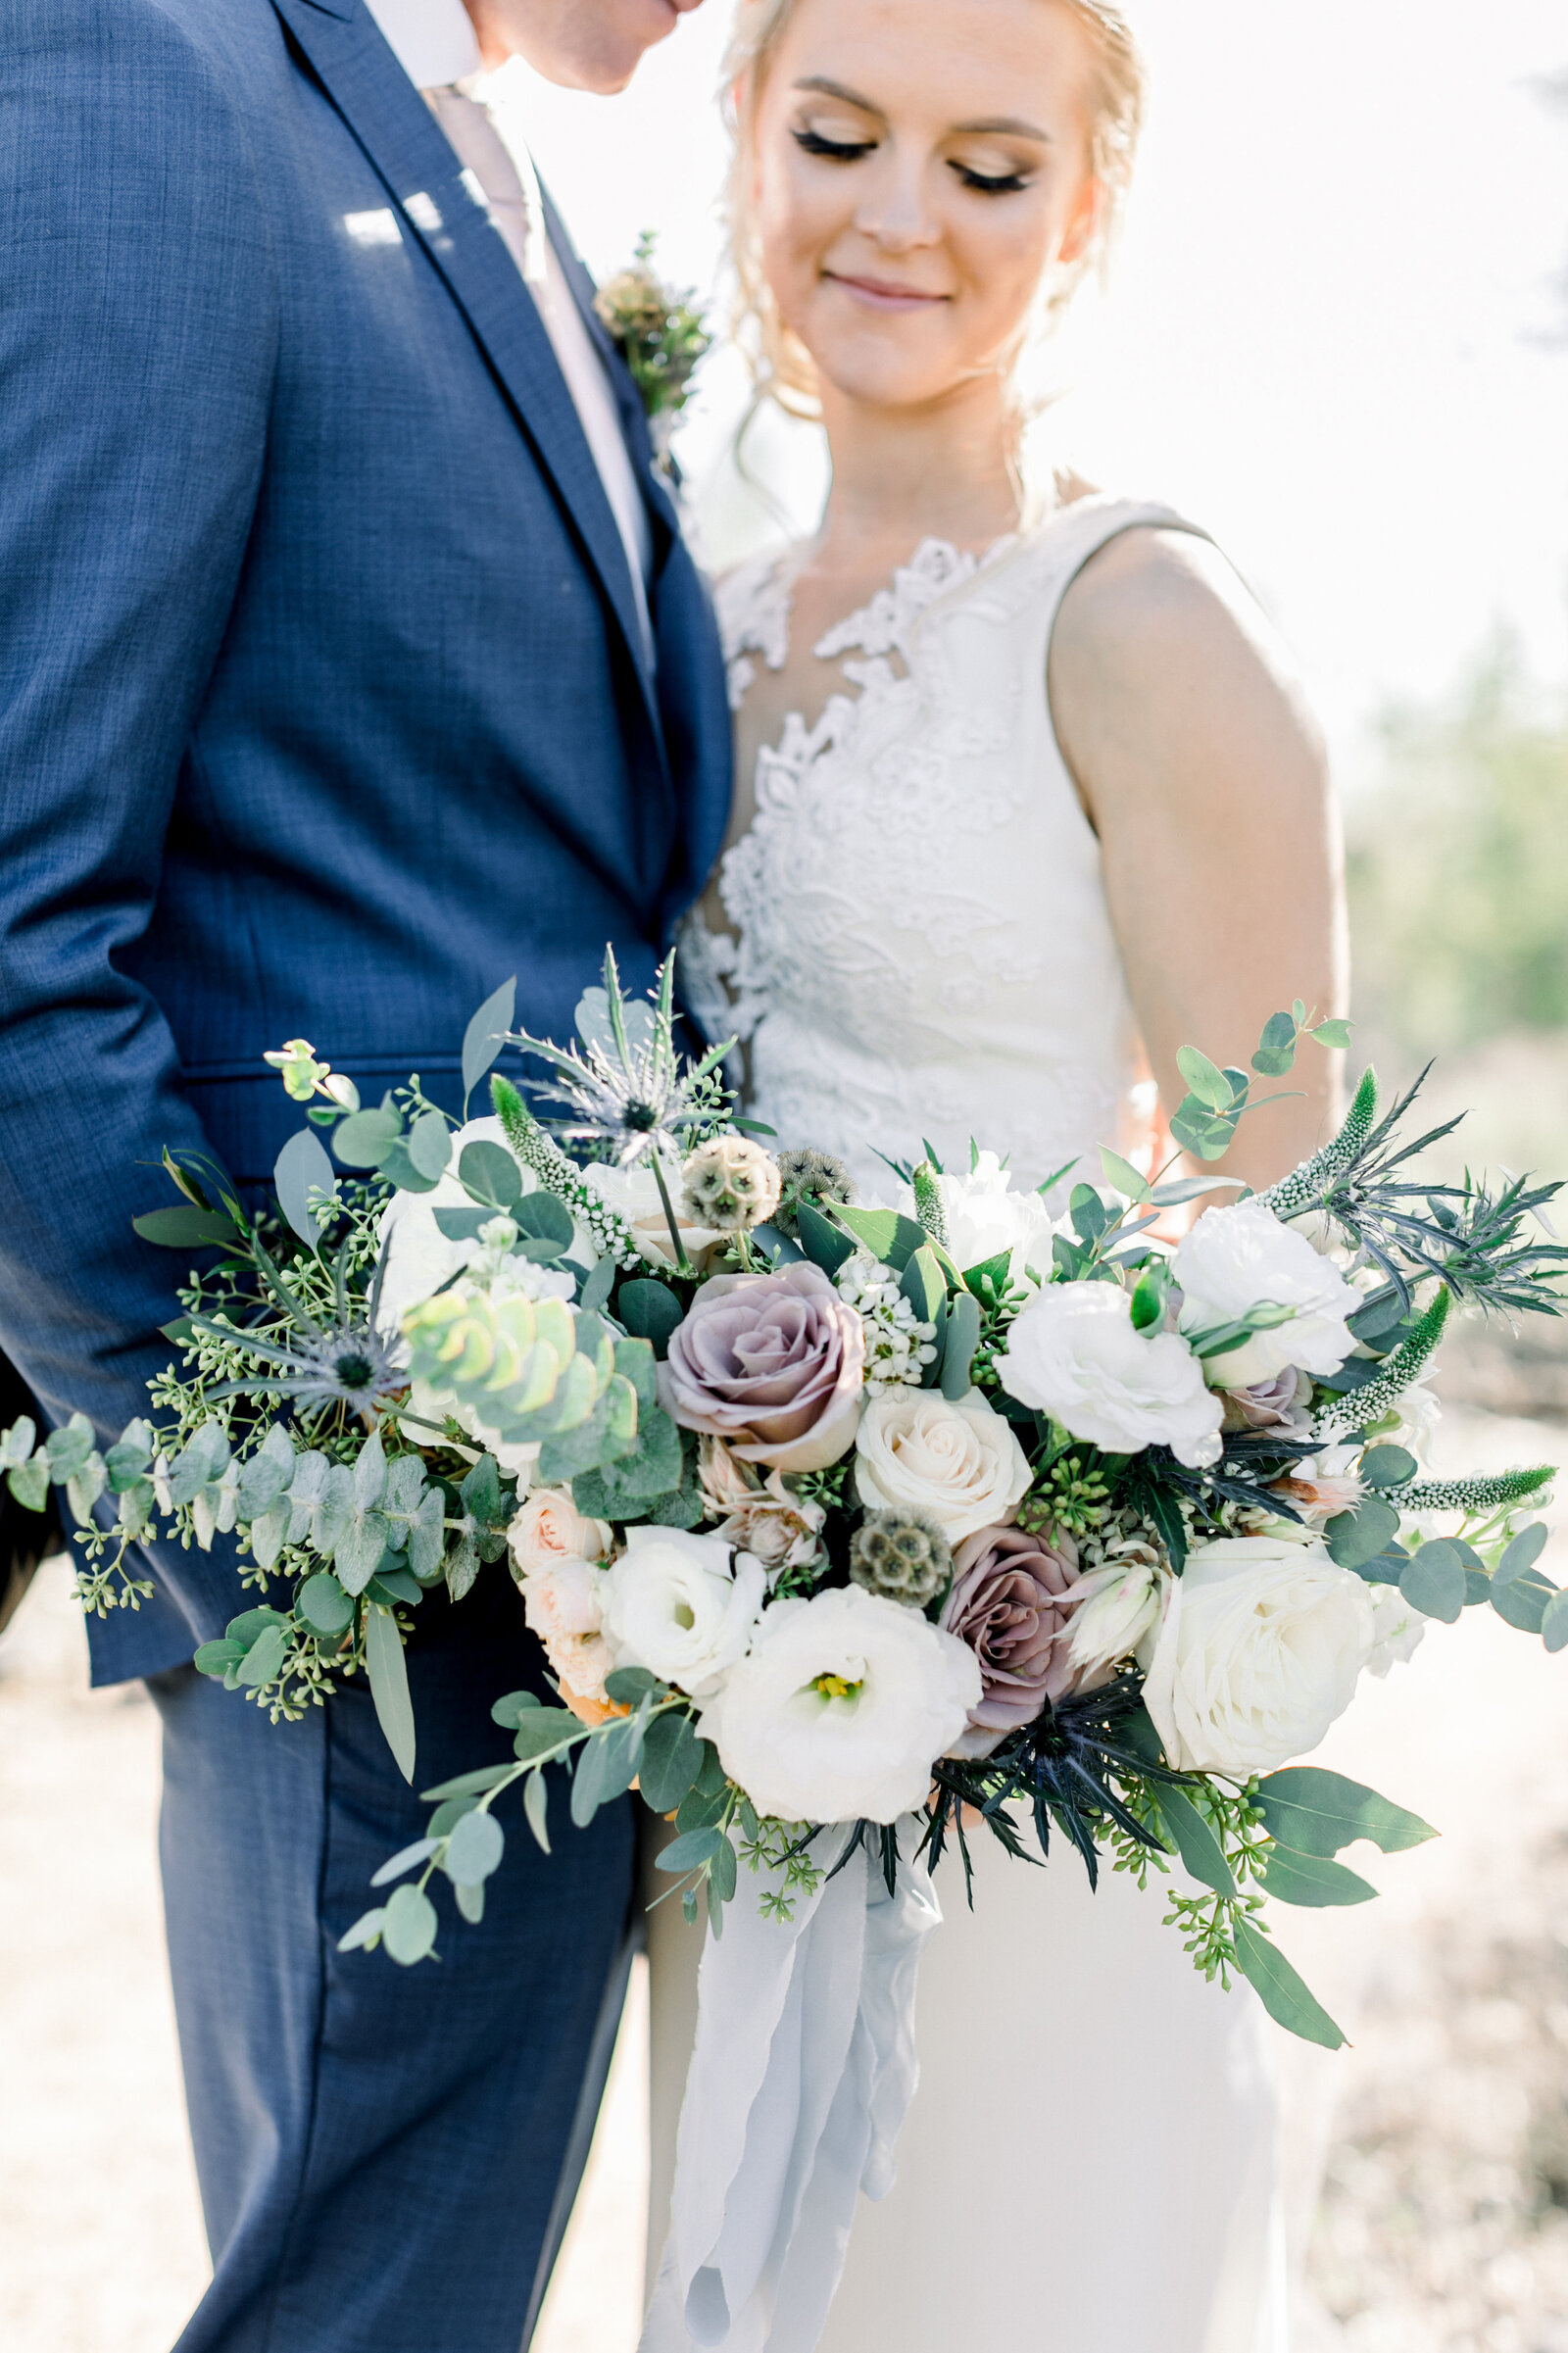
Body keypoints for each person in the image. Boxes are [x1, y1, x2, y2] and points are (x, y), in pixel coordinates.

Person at [0, 2, 724, 2348]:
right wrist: (276, 1464)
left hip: (606, 1534)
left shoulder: (474, 167)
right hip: (368, 1532)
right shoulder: (147, 72)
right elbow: (19, 912)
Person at [653, 0, 1347, 2346]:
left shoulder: (1138, 619)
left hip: (1033, 1736)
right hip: (720, 1716)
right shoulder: (679, 628)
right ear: (744, 132)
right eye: (838, 133)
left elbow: (1286, 1252)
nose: (898, 219)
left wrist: (1005, 1572)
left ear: (1089, 204)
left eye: (989, 164)